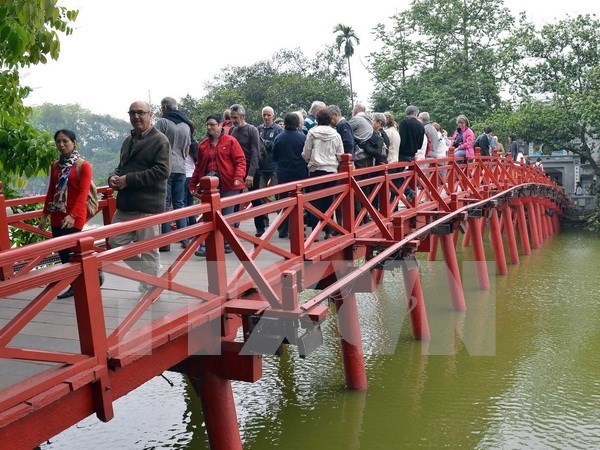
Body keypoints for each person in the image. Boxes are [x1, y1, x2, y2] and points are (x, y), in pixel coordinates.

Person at [108, 100, 170, 295]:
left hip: (148, 205)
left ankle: (149, 287)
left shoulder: (160, 140)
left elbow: (162, 171)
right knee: (114, 241)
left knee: (150, 250)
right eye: (132, 113)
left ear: (150, 114)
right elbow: (121, 166)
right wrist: (113, 176)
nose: (136, 116)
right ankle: (150, 275)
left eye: (140, 112)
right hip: (126, 204)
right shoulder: (129, 140)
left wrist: (129, 180)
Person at [39, 129, 98, 299]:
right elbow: (51, 191)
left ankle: (86, 280)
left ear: (73, 142)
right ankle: (76, 284)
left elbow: (82, 193)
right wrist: (44, 215)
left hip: (75, 214)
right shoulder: (55, 165)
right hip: (57, 214)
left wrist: (72, 215)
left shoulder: (83, 165)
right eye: (58, 141)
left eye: (65, 141)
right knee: (62, 253)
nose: (61, 144)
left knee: (74, 251)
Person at [189, 113, 246, 256]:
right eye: (208, 124)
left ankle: (227, 243)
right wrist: (193, 183)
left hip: (229, 183)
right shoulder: (203, 145)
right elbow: (199, 166)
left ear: (221, 125)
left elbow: (240, 160)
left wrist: (238, 177)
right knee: (208, 215)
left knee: (226, 216)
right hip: (210, 185)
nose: (209, 127)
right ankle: (205, 246)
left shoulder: (230, 141)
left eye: (212, 124)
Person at [154, 97, 191, 252]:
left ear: (164, 108)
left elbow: (154, 144)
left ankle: (166, 242)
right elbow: (187, 149)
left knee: (165, 204)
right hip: (181, 167)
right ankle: (185, 239)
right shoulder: (186, 125)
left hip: (165, 167)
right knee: (179, 203)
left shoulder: (162, 123)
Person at [302, 108, 343, 239]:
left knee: (314, 202)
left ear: (317, 119)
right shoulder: (336, 134)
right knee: (329, 202)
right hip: (331, 171)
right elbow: (340, 155)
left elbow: (306, 153)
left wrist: (310, 160)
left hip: (316, 170)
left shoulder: (312, 133)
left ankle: (315, 232)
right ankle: (328, 231)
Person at [272, 112, 308, 238]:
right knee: (299, 201)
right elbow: (306, 156)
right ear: (297, 123)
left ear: (285, 123)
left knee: (283, 201)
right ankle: (297, 230)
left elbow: (274, 157)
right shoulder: (303, 137)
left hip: (284, 173)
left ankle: (283, 229)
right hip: (300, 173)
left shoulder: (279, 137)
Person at [229, 103, 261, 234]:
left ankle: (260, 227)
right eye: (232, 117)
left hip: (251, 168)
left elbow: (255, 152)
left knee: (255, 198)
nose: (234, 120)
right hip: (237, 169)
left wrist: (251, 174)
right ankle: (234, 227)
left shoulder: (251, 130)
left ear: (243, 116)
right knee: (235, 199)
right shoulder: (232, 130)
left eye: (236, 117)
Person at [255, 106, 283, 236]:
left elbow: (276, 146)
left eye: (268, 115)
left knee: (278, 194)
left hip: (275, 166)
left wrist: (264, 142)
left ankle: (280, 221)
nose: (266, 117)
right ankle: (263, 222)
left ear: (273, 115)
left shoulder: (278, 129)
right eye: (264, 115)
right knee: (260, 194)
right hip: (261, 166)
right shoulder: (258, 129)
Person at [398, 105, 425, 201]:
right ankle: (407, 193)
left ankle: (408, 191)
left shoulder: (404, 123)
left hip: (402, 154)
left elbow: (402, 140)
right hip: (412, 155)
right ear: (416, 113)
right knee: (397, 175)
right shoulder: (421, 125)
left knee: (394, 175)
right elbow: (419, 145)